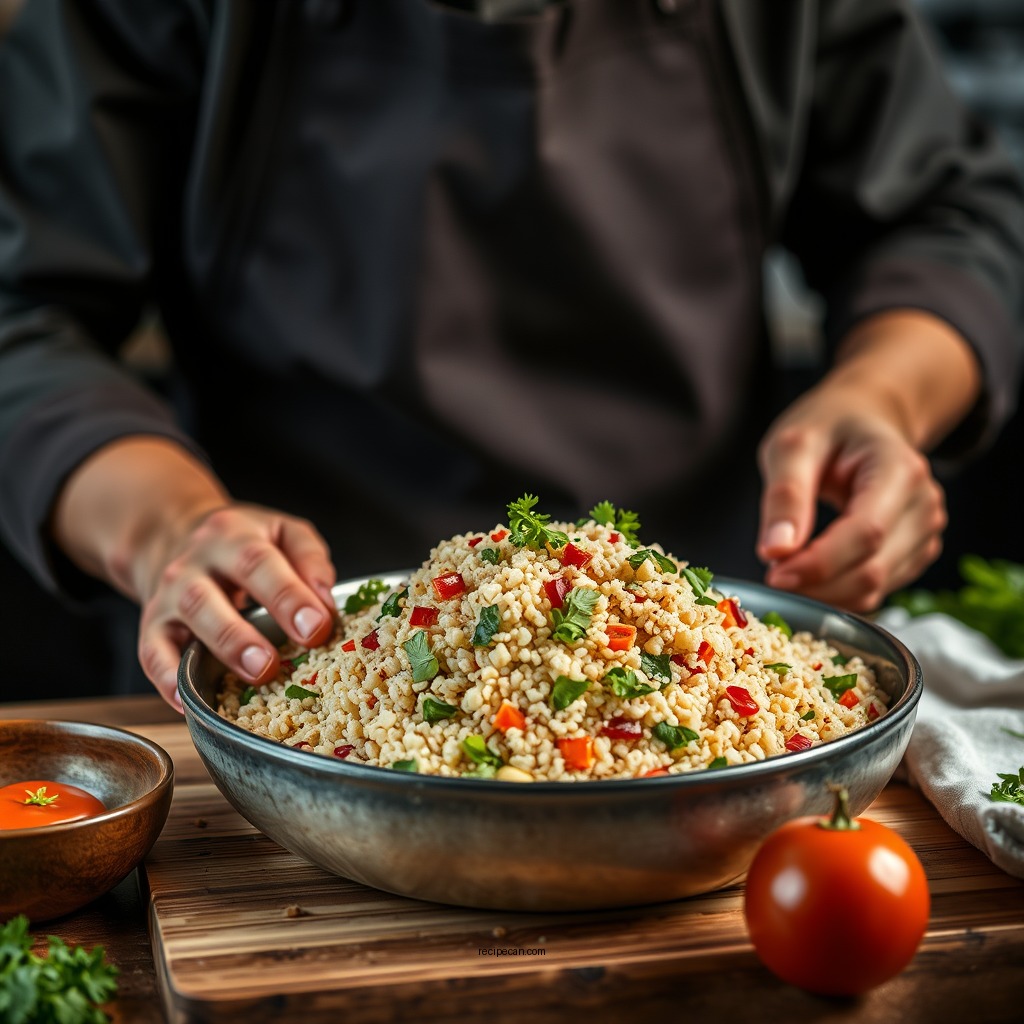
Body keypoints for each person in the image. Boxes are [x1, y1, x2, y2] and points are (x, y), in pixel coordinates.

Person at [0, 0, 1021, 711]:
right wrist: (168, 528)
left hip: (718, 622)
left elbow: (947, 214)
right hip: (283, 654)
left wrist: (885, 394)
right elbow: (21, 308)